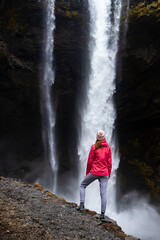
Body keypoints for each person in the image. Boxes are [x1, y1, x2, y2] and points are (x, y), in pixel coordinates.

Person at [77, 130, 112, 222]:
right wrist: (109, 174)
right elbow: (110, 163)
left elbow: (89, 161)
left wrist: (87, 173)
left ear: (97, 137)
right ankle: (103, 215)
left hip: (94, 172)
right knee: (103, 193)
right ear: (104, 138)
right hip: (104, 173)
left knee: (82, 185)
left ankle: (81, 205)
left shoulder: (94, 147)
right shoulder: (108, 148)